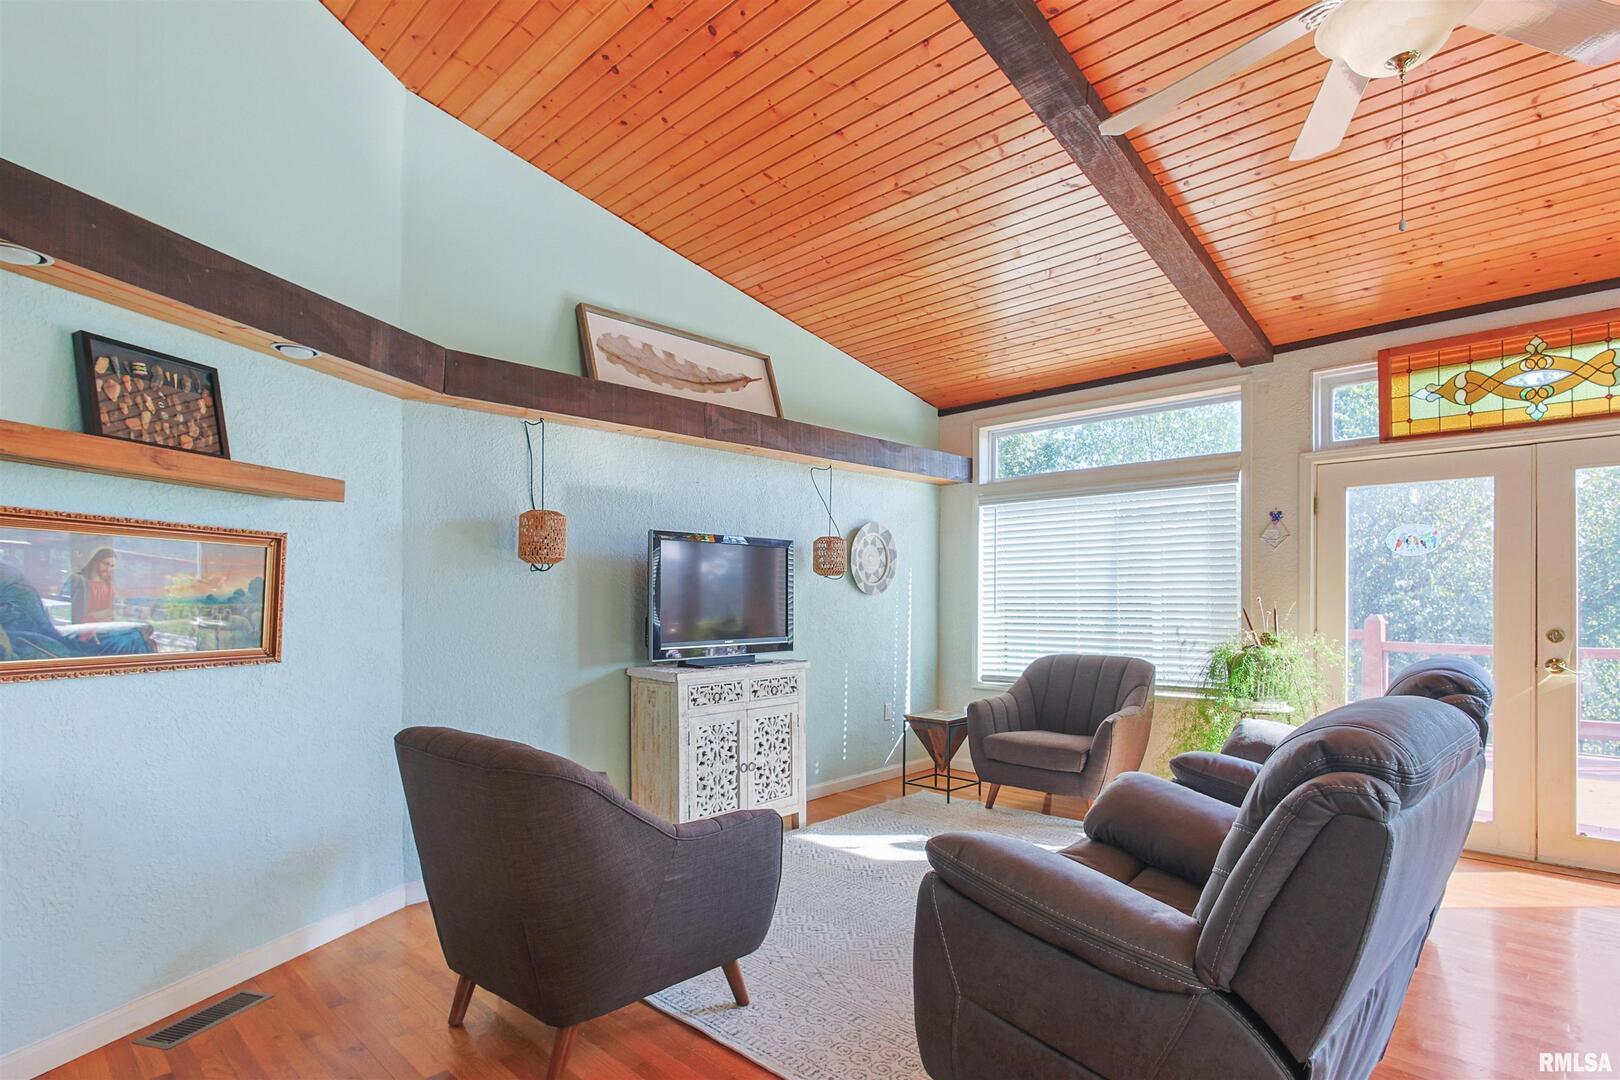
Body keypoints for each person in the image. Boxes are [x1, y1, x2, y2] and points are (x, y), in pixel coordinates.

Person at [69, 547, 119, 624]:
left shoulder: (109, 586)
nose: (109, 569)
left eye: (112, 566)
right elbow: (76, 616)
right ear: (95, 562)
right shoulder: (80, 582)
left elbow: (111, 613)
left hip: (103, 631)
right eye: (106, 564)